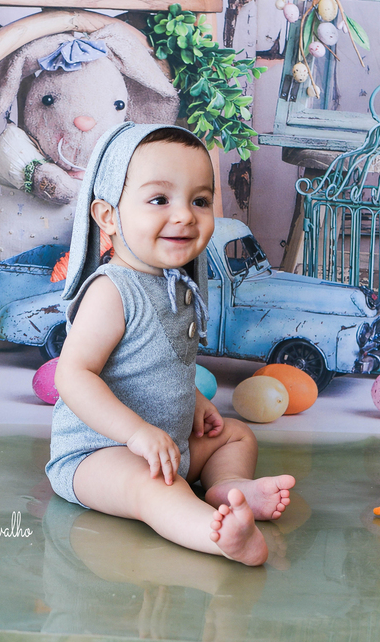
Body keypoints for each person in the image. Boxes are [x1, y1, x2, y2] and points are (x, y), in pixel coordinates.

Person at [46, 122, 294, 566]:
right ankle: (215, 535)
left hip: (171, 447)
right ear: (108, 217)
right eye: (159, 199)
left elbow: (164, 363)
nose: (184, 215)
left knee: (235, 435)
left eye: (199, 201)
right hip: (98, 455)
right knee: (151, 486)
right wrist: (135, 434)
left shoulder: (175, 286)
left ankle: (227, 485)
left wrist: (196, 400)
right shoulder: (112, 290)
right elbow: (73, 375)